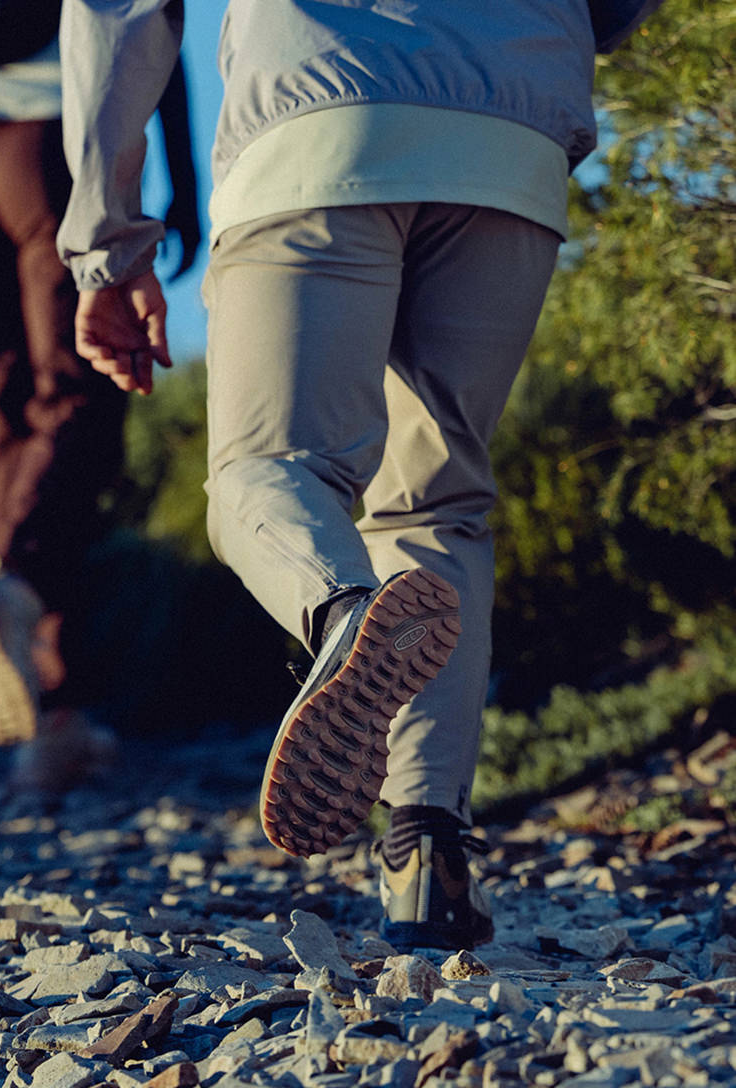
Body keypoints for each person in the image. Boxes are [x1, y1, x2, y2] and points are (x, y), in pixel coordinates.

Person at [56, 0, 664, 949]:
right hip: (513, 136)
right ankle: (428, 857)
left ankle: (342, 615)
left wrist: (105, 245)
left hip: (317, 119)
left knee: (268, 469)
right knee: (439, 503)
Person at [0, 0, 201, 790]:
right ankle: (11, 585)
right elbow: (149, 25)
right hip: (48, 138)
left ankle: (53, 719)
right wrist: (182, 181)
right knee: (80, 395)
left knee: (12, 427)